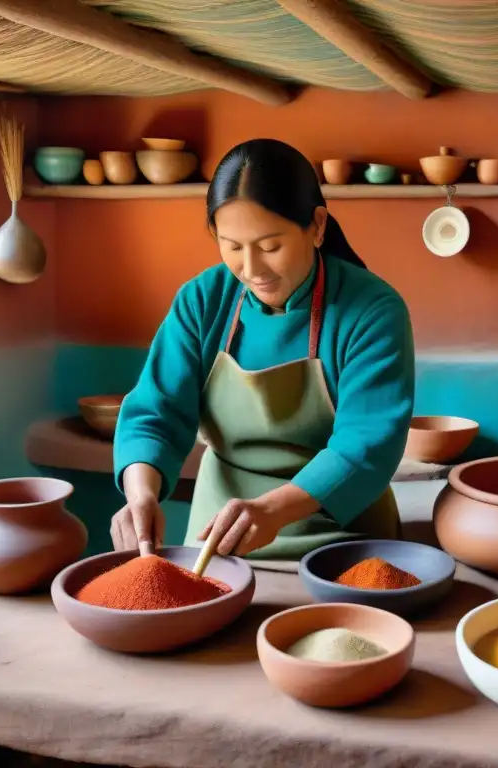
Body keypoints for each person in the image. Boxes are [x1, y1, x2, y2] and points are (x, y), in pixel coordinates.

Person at [109, 138, 415, 560]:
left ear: (318, 226)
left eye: (271, 247)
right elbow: (156, 411)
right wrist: (141, 493)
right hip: (218, 544)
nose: (252, 270)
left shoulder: (373, 310)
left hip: (344, 541)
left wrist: (273, 509)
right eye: (233, 247)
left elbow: (367, 443)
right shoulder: (202, 301)